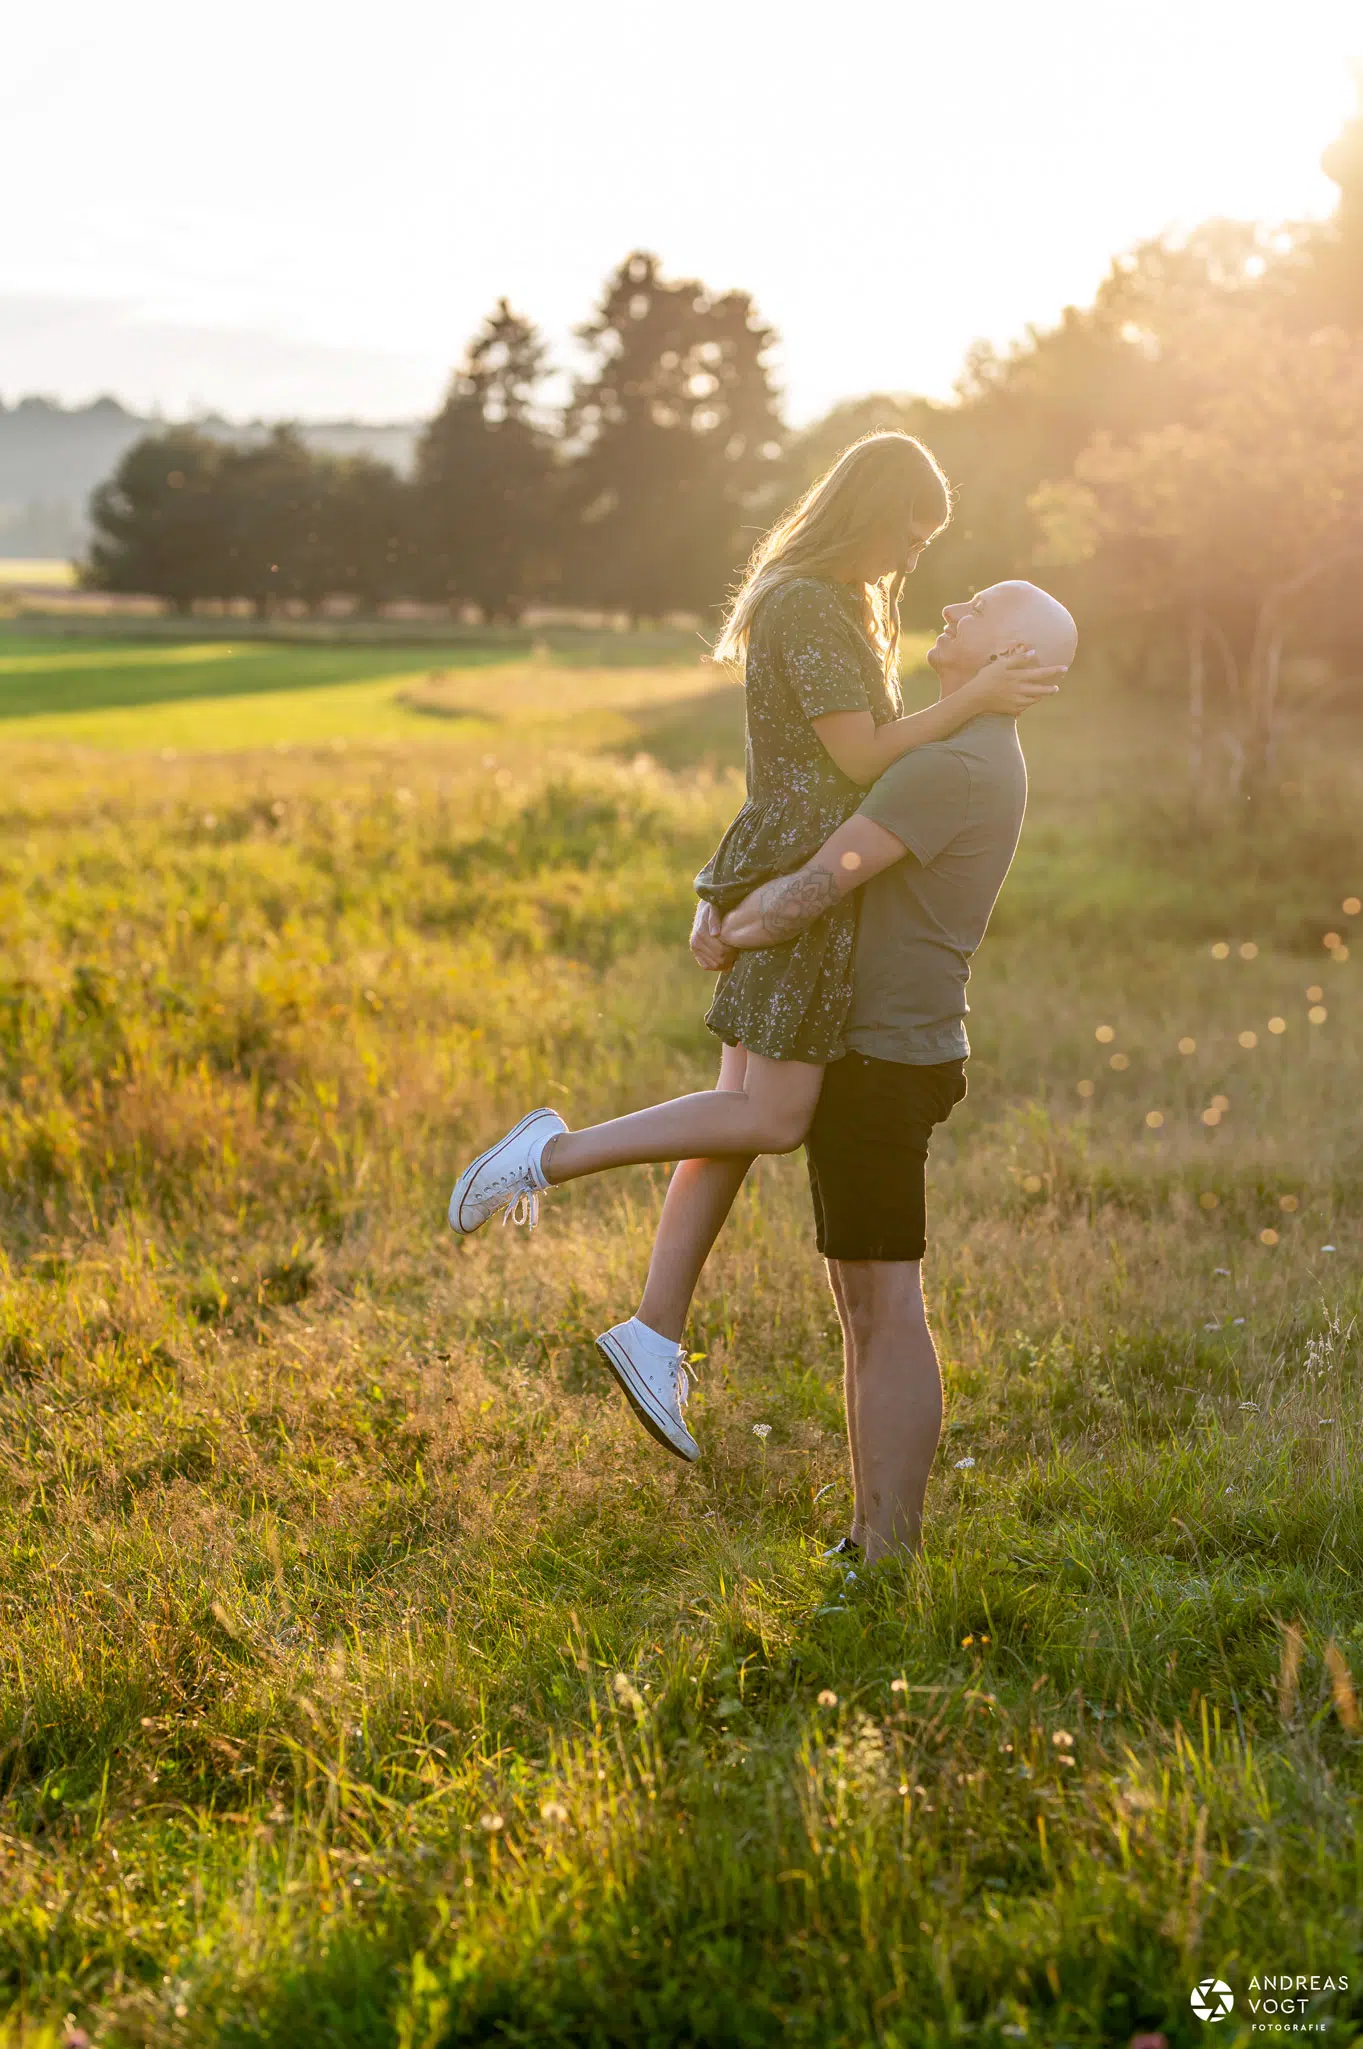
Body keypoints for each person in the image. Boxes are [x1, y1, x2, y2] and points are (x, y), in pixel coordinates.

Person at [448, 434, 1064, 1459]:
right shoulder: (812, 602)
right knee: (769, 1116)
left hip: (792, 865)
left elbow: (816, 770)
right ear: (867, 509)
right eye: (907, 534)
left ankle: (652, 1329)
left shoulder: (841, 601)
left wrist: (725, 879)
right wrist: (966, 702)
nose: (912, 559)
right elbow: (856, 758)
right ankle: (546, 1155)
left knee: (734, 1123)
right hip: (802, 879)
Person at [702, 579, 1079, 1560]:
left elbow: (820, 886)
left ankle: (889, 1548)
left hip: (884, 1060)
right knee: (862, 1306)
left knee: (885, 1304)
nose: (952, 609)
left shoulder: (949, 766)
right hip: (882, 1049)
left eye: (978, 610)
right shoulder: (958, 749)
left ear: (1012, 660)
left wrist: (726, 930)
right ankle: (868, 1534)